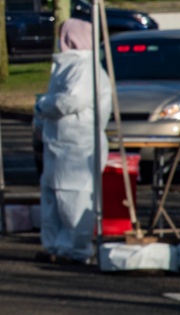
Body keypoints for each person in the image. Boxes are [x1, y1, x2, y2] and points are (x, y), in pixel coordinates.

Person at [36, 17, 112, 264]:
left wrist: (42, 105)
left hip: (78, 147)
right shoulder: (69, 65)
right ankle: (57, 247)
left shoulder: (85, 68)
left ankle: (76, 250)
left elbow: (69, 102)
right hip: (60, 144)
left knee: (74, 200)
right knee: (54, 200)